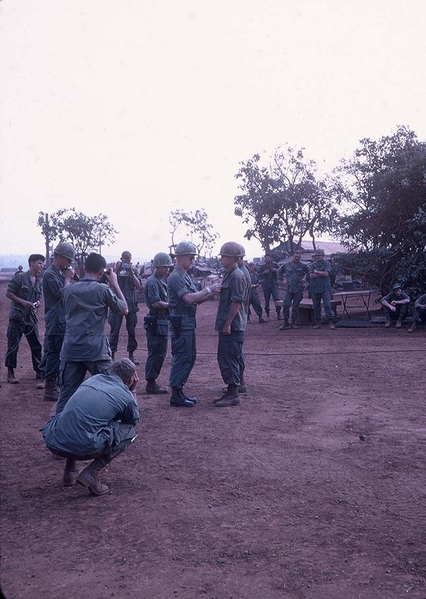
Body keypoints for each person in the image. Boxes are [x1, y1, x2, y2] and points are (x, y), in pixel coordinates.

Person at [42, 358, 139, 496]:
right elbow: (133, 420)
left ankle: (69, 471)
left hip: (54, 441)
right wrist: (132, 391)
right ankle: (91, 473)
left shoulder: (94, 379)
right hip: (80, 446)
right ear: (131, 379)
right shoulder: (125, 395)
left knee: (81, 420)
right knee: (129, 432)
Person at [56, 252, 128, 414]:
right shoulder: (102, 290)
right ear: (102, 272)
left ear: (83, 268)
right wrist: (115, 284)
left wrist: (67, 278)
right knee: (110, 389)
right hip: (96, 351)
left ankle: (57, 431)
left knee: (66, 396)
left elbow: (66, 289)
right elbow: (124, 309)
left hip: (71, 350)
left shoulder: (69, 291)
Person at [167, 241, 221, 407]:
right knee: (182, 357)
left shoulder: (184, 276)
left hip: (187, 321)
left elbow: (196, 301)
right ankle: (175, 394)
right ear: (181, 257)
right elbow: (189, 298)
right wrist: (210, 290)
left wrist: (212, 293)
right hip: (180, 322)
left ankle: (179, 390)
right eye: (190, 258)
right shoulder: (175, 277)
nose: (192, 261)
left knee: (189, 356)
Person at [40, 242, 77, 401]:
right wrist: (68, 279)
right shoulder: (50, 274)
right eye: (68, 260)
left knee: (60, 353)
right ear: (59, 257)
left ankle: (56, 384)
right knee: (54, 354)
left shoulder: (59, 273)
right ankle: (49, 388)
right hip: (55, 321)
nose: (69, 264)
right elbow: (63, 294)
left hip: (62, 319)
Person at [214, 242, 248, 407]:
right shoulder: (230, 274)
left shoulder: (236, 275)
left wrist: (227, 323)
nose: (221, 259)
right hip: (229, 325)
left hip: (233, 326)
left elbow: (236, 302)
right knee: (225, 357)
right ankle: (230, 390)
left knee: (230, 358)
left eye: (224, 256)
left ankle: (233, 393)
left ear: (232, 258)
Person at [5, 253, 45, 385]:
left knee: (36, 345)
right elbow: (9, 293)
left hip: (31, 318)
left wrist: (38, 302)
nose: (41, 265)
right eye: (39, 263)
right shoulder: (20, 277)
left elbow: (38, 296)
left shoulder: (39, 280)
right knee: (13, 345)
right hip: (17, 317)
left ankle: (39, 371)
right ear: (31, 263)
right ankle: (10, 373)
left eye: (42, 263)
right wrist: (22, 302)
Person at [143, 252, 173, 394]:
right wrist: (171, 305)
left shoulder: (160, 280)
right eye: (164, 267)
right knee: (156, 352)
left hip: (161, 321)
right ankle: (151, 382)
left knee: (159, 352)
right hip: (156, 321)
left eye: (168, 267)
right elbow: (155, 303)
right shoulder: (153, 282)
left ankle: (152, 381)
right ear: (157, 267)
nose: (167, 269)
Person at [108, 251, 141, 364]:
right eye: (124, 260)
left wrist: (131, 272)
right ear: (121, 259)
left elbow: (138, 285)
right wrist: (116, 270)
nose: (126, 262)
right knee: (114, 330)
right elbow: (109, 285)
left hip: (131, 305)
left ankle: (131, 355)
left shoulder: (134, 271)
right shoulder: (115, 271)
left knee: (131, 330)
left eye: (128, 260)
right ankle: (111, 355)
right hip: (117, 304)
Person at [278, 250, 309, 330]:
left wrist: (305, 280)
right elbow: (279, 271)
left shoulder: (302, 266)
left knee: (295, 306)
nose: (297, 258)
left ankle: (293, 322)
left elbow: (309, 272)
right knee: (286, 304)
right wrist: (282, 280)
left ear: (300, 257)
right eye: (296, 256)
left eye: (298, 257)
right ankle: (285, 322)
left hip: (298, 288)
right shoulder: (286, 265)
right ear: (293, 256)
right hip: (288, 288)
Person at [308, 249, 336, 330]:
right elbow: (311, 275)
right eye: (317, 255)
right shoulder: (312, 265)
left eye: (320, 255)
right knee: (316, 306)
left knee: (327, 305)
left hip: (325, 288)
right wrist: (321, 273)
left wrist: (316, 272)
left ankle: (330, 321)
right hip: (315, 288)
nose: (318, 257)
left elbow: (327, 273)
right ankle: (318, 322)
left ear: (323, 256)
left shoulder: (327, 263)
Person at [258, 254, 282, 321]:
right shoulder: (262, 267)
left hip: (274, 284)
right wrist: (264, 273)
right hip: (266, 285)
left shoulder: (275, 265)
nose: (267, 259)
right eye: (266, 258)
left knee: (276, 299)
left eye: (268, 258)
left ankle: (278, 314)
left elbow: (281, 271)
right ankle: (268, 315)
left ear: (271, 258)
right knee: (267, 300)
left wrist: (276, 270)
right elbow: (259, 275)